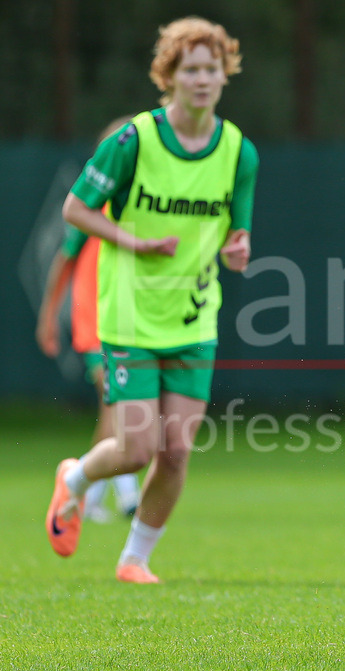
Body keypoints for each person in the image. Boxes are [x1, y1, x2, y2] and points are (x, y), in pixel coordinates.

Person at [45, 16, 259, 584]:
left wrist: (238, 249)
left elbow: (236, 233)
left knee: (176, 454)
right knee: (136, 448)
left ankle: (134, 558)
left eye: (212, 68)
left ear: (224, 73)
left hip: (193, 318)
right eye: (191, 68)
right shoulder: (133, 139)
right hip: (130, 316)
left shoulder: (239, 151)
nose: (203, 79)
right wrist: (133, 240)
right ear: (170, 75)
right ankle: (75, 479)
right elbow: (75, 210)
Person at [37, 116, 141, 524]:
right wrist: (48, 317)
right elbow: (63, 260)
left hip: (138, 324)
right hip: (98, 325)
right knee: (117, 410)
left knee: (123, 412)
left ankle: (89, 493)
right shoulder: (94, 207)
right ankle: (118, 494)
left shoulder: (148, 205)